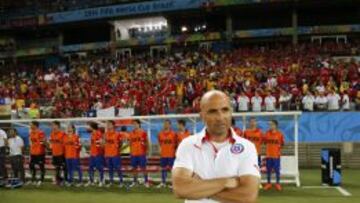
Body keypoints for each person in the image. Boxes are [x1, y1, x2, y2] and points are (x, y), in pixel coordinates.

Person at [172, 90, 260, 203]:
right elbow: (181, 189)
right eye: (213, 111)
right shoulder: (187, 145)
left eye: (225, 110)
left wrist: (199, 188)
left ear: (231, 112)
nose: (220, 117)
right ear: (202, 115)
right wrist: (225, 182)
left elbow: (248, 196)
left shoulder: (247, 147)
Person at [263, 120, 285, 191]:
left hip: (276, 156)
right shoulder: (267, 133)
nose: (270, 126)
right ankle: (268, 183)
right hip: (269, 155)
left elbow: (282, 144)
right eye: (270, 125)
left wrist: (278, 149)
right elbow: (264, 142)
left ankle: (277, 183)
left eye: (272, 124)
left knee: (277, 170)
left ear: (276, 125)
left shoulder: (280, 134)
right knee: (268, 170)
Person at [129, 119, 149, 188]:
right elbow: (130, 143)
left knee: (144, 168)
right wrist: (131, 152)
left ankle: (146, 181)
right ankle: (135, 181)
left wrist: (147, 150)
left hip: (141, 153)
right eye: (133, 124)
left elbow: (147, 142)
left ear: (139, 124)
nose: (134, 125)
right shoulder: (131, 133)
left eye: (135, 123)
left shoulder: (143, 132)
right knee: (134, 168)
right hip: (133, 154)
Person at [104, 120, 124, 187]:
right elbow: (104, 143)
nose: (108, 125)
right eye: (107, 124)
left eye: (109, 124)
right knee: (110, 169)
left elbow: (121, 143)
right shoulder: (105, 134)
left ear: (113, 125)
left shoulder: (117, 134)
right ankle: (111, 182)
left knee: (118, 168)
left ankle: (121, 182)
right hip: (107, 154)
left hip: (115, 154)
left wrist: (117, 149)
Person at [157, 119, 177, 188]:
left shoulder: (174, 134)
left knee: (172, 170)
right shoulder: (160, 134)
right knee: (163, 169)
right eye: (164, 123)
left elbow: (176, 144)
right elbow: (159, 143)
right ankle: (163, 182)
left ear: (170, 125)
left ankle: (173, 183)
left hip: (171, 155)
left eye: (167, 123)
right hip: (163, 155)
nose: (166, 125)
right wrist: (160, 150)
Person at [85, 122, 105, 187]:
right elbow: (93, 144)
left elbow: (101, 144)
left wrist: (98, 152)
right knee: (90, 168)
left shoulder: (98, 133)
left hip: (98, 154)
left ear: (92, 127)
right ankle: (91, 181)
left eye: (89, 126)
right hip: (92, 154)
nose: (88, 127)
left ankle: (101, 181)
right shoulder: (92, 134)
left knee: (99, 167)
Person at [28, 121, 46, 186]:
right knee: (31, 165)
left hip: (40, 152)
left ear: (35, 125)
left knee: (41, 166)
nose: (30, 126)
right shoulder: (31, 133)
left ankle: (41, 180)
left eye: (31, 125)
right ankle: (33, 178)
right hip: (33, 152)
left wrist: (41, 147)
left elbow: (42, 142)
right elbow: (32, 143)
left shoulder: (41, 132)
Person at [49, 121, 67, 185]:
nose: (52, 126)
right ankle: (58, 180)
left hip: (61, 153)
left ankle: (64, 180)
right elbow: (51, 143)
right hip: (54, 153)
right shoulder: (52, 134)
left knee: (63, 167)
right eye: (52, 125)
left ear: (57, 126)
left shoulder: (63, 134)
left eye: (53, 125)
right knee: (56, 167)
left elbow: (65, 144)